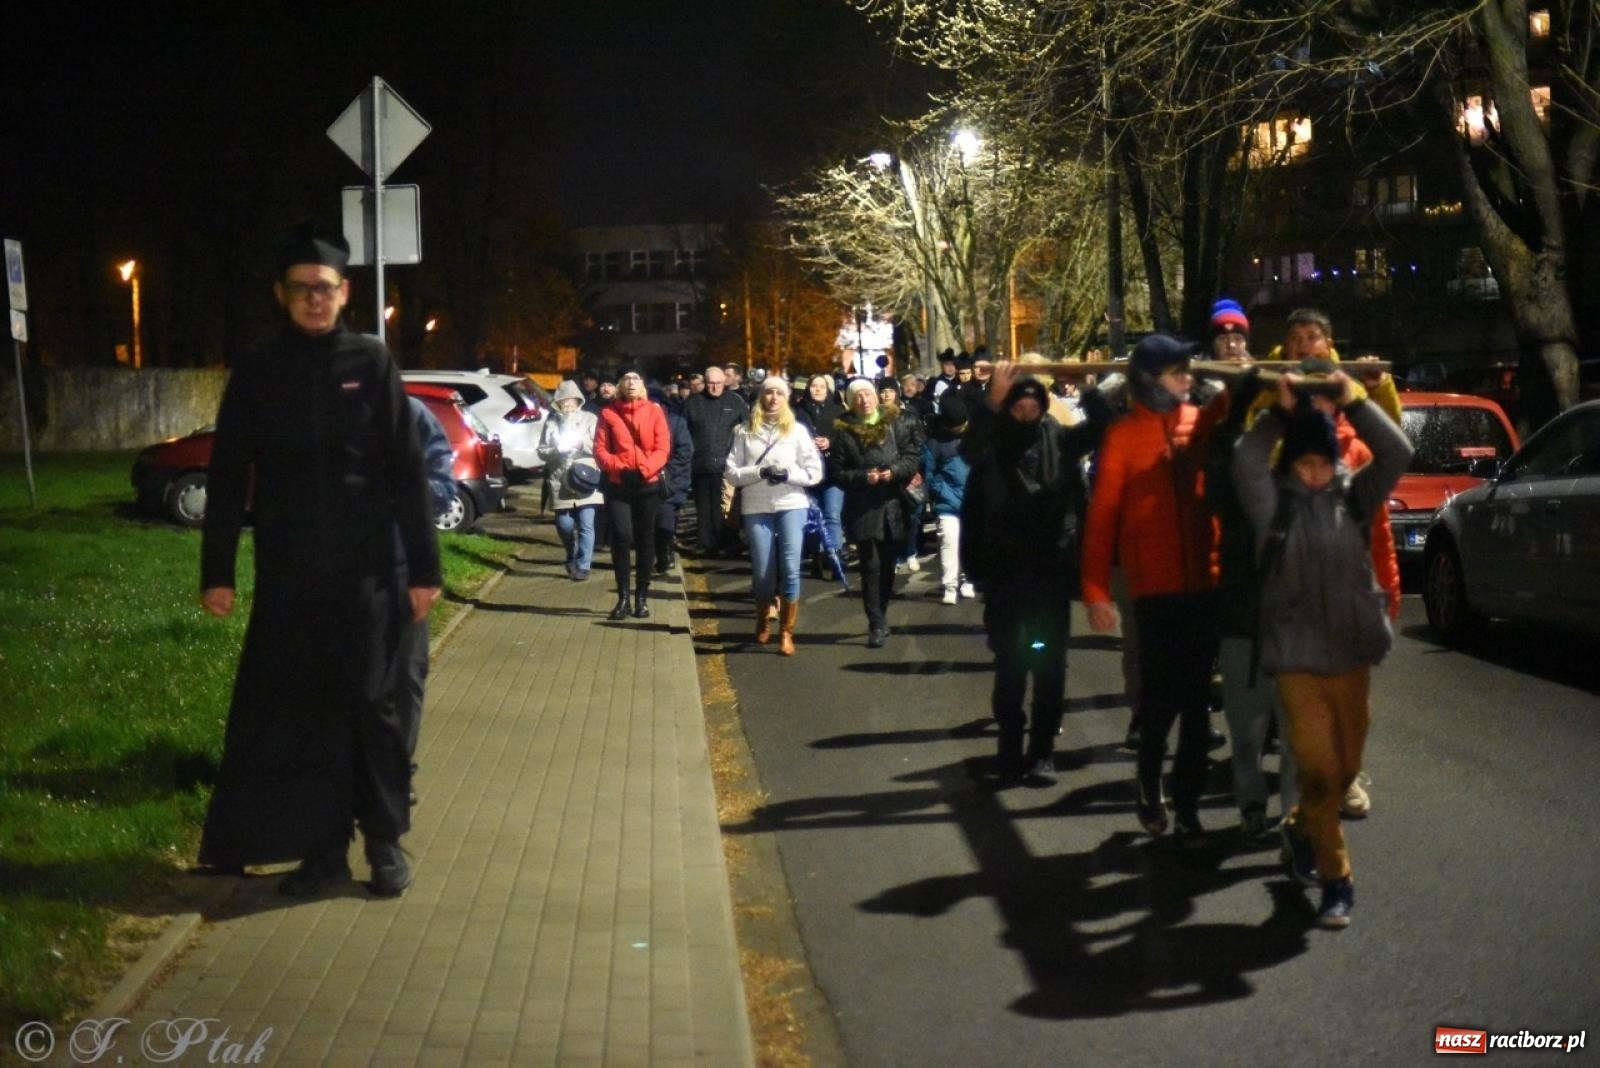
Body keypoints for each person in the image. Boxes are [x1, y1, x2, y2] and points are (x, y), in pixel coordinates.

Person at [198, 222, 440, 898]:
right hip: (290, 575)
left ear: (345, 292)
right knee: (305, 713)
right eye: (301, 288)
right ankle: (321, 852)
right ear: (280, 294)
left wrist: (425, 571)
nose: (314, 299)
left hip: (370, 575)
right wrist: (217, 572)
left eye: (325, 288)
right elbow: (228, 475)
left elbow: (409, 470)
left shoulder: (371, 362)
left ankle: (385, 840)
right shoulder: (258, 369)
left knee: (373, 705)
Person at [1232, 369, 1412, 928]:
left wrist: (1353, 400)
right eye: (1304, 463)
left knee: (1345, 769)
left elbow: (1398, 451)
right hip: (1296, 660)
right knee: (1316, 770)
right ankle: (1337, 881)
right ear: (1290, 464)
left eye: (1322, 463)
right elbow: (1245, 458)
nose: (1313, 473)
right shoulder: (1272, 507)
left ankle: (1298, 827)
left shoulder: (1356, 498)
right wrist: (1279, 413)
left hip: (1351, 655)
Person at [1082, 334, 1223, 839]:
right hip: (1154, 589)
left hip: (1205, 583)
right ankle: (1148, 781)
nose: (1187, 378)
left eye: (1188, 369)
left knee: (1198, 707)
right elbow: (1101, 520)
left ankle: (1187, 805)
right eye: (1176, 371)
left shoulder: (1200, 423)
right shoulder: (1124, 437)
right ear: (1149, 380)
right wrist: (1096, 590)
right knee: (1161, 701)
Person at [962, 366, 1107, 780]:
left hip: (1050, 573)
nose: (1025, 415)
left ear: (1043, 408)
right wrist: (992, 401)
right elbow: (970, 448)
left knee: (1048, 663)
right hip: (1005, 573)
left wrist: (1087, 387)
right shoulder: (993, 443)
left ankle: (1042, 750)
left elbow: (1102, 428)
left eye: (1032, 408)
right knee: (1010, 663)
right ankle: (1009, 746)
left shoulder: (1059, 440)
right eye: (1018, 408)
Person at [1201, 299, 1287, 839]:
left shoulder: (1276, 391)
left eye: (1239, 336)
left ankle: (1300, 822)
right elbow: (1216, 470)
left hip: (1287, 577)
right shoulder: (1210, 400)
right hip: (1236, 572)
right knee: (1243, 712)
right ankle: (1251, 800)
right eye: (1223, 336)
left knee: (1298, 719)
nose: (1232, 344)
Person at [724, 376, 823, 655]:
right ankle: (762, 615)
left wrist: (787, 474)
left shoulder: (797, 431)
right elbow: (731, 472)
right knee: (763, 572)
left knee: (790, 568)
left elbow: (814, 472)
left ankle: (786, 633)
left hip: (791, 503)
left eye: (779, 393)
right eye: (769, 393)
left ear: (786, 398)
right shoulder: (744, 431)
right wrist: (760, 471)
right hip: (756, 507)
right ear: (761, 397)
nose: (774, 398)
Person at [397, 396, 457, 807]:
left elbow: (443, 487)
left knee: (406, 674)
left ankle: (398, 769)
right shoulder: (324, 411)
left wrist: (397, 490)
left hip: (403, 568)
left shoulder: (412, 415)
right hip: (340, 574)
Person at [831, 377, 921, 647]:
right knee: (870, 566)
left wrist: (893, 471)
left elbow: (911, 457)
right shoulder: (844, 431)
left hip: (893, 503)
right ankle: (876, 623)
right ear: (851, 401)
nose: (864, 400)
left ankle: (881, 612)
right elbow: (837, 473)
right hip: (863, 507)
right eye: (858, 396)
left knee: (888, 566)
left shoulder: (894, 422)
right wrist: (863, 477)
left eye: (868, 394)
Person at [594, 369, 672, 620]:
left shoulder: (655, 411)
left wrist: (645, 470)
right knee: (621, 537)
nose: (631, 383)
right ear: (619, 384)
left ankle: (641, 598)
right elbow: (600, 450)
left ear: (642, 385)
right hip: (619, 484)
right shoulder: (608, 413)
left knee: (645, 539)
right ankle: (623, 598)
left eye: (635, 378)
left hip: (647, 484)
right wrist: (620, 469)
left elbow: (663, 448)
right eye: (626, 379)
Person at [540, 380, 604, 581]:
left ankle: (584, 566)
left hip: (586, 478)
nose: (568, 404)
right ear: (558, 402)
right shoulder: (551, 422)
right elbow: (541, 451)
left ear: (578, 400)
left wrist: (581, 443)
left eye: (571, 400)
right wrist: (557, 450)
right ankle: (571, 553)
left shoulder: (590, 419)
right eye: (563, 400)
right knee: (564, 525)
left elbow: (599, 446)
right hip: (560, 480)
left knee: (586, 524)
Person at [684, 365, 750, 557]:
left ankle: (729, 543)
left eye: (719, 383)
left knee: (726, 508)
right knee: (704, 507)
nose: (715, 387)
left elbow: (746, 429)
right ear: (705, 383)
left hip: (727, 463)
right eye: (711, 383)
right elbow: (683, 431)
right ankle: (706, 544)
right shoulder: (692, 403)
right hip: (700, 463)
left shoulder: (735, 401)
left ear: (724, 382)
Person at [921, 393, 975, 605]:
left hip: (973, 502)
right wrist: (940, 490)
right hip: (947, 501)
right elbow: (929, 473)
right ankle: (950, 586)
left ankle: (968, 580)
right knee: (948, 540)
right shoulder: (935, 442)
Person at [794, 372, 847, 579]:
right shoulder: (797, 412)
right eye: (814, 386)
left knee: (832, 515)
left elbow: (846, 437)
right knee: (813, 519)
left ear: (828, 390)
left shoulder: (838, 411)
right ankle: (816, 558)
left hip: (832, 471)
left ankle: (835, 559)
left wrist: (830, 442)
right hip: (808, 473)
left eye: (822, 386)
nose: (817, 389)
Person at [653, 385, 694, 574]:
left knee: (665, 517)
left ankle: (665, 554)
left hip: (670, 482)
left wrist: (666, 471)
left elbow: (685, 451)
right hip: (645, 479)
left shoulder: (676, 422)